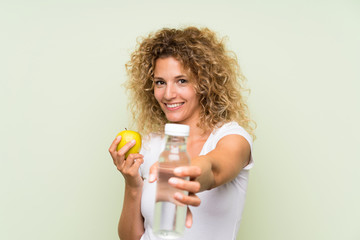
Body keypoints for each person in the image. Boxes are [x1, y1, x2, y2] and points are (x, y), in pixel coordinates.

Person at [109, 26, 255, 240]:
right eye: (160, 82)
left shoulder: (232, 137)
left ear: (204, 83)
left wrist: (186, 173)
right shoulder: (151, 144)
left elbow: (213, 169)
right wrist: (132, 184)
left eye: (182, 81)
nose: (168, 94)